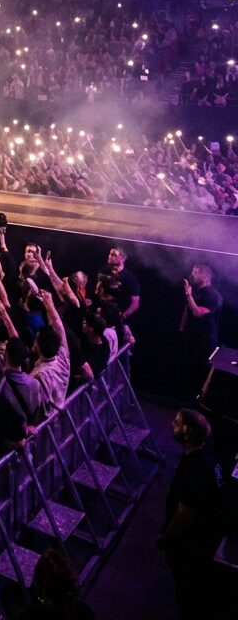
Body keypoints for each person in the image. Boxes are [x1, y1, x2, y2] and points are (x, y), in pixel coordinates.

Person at [157, 409, 226, 620]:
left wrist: (166, 538)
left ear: (187, 431)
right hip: (208, 539)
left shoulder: (194, 469)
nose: (171, 425)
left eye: (176, 423)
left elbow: (184, 516)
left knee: (188, 596)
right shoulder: (209, 457)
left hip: (191, 547)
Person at [179, 264, 224, 399]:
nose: (192, 275)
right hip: (192, 338)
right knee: (189, 371)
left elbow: (198, 312)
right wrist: (182, 328)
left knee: (200, 373)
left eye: (196, 273)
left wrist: (188, 294)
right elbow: (187, 310)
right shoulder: (197, 292)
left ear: (205, 276)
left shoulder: (214, 296)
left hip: (204, 341)